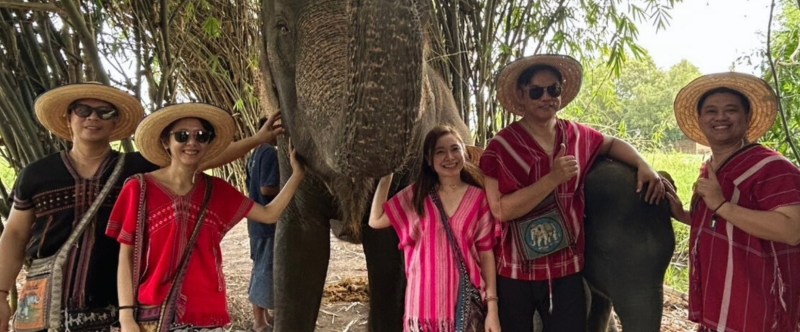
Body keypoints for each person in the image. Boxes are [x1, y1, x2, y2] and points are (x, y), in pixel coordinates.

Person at [0, 83, 279, 332]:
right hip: (43, 304)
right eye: (83, 110)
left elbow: (197, 159)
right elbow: (14, 235)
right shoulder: (36, 175)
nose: (93, 118)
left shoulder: (137, 171)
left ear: (116, 122)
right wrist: (1, 294)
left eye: (105, 112)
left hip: (113, 307)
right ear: (68, 117)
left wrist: (257, 140)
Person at [479, 54, 665, 331]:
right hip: (516, 270)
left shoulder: (576, 135)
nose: (546, 97)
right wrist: (553, 179)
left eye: (553, 89)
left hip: (566, 269)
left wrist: (643, 164)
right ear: (521, 94)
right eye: (536, 91)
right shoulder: (500, 147)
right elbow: (501, 210)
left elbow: (611, 143)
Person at [105, 103, 304, 332]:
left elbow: (269, 214)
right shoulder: (139, 188)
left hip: (208, 315)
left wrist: (297, 175)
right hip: (154, 317)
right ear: (165, 142)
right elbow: (125, 257)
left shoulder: (217, 190)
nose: (192, 142)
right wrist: (126, 317)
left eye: (201, 136)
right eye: (182, 136)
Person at [667, 72, 800, 332]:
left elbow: (792, 230)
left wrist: (721, 205)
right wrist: (682, 214)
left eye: (731, 110)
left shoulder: (772, 167)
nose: (720, 117)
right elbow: (724, 224)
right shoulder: (712, 168)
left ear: (747, 118)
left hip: (758, 305)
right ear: (700, 119)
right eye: (711, 111)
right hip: (719, 300)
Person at [368, 125, 501, 332]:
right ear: (429, 160)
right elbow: (375, 220)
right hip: (421, 310)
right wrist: (387, 175)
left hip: (463, 308)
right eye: (440, 152)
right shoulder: (416, 196)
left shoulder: (479, 199)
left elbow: (486, 254)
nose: (449, 157)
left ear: (463, 153)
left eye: (455, 149)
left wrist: (492, 308)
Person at [245, 117, 280, 332]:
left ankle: (264, 316)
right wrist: (291, 189)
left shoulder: (254, 153)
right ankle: (259, 321)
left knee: (260, 266)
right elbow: (267, 188)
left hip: (255, 219)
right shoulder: (270, 153)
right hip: (266, 219)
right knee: (263, 269)